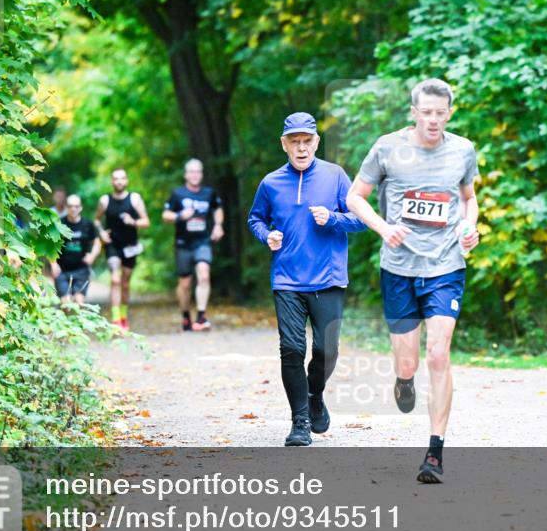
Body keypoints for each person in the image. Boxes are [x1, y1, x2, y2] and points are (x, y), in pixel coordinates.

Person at [346, 79, 480, 483]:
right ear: (413, 112)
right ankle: (404, 380)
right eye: (427, 112)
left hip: (445, 265)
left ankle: (434, 453)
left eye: (441, 113)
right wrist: (384, 228)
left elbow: (468, 198)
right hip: (399, 268)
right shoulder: (388, 148)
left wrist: (470, 228)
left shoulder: (463, 150)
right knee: (409, 361)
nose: (434, 120)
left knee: (438, 354)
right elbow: (355, 196)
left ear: (450, 113)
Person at [248, 112, 367, 446]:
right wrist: (266, 235)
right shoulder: (270, 183)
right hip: (286, 279)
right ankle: (299, 421)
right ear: (284, 145)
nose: (301, 148)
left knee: (326, 350)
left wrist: (333, 219)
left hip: (328, 278)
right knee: (291, 349)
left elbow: (361, 219)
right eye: (294, 142)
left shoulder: (336, 176)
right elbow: (255, 219)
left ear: (317, 141)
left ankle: (315, 395)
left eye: (306, 141)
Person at [161, 158, 224, 331]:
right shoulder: (177, 193)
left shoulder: (209, 193)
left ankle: (201, 317)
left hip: (202, 242)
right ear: (186, 174)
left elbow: (217, 208)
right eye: (192, 172)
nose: (195, 175)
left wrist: (218, 226)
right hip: (183, 244)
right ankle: (185, 315)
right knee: (185, 284)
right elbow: (165, 215)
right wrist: (180, 215)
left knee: (204, 274)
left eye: (198, 172)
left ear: (201, 174)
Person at [95, 169, 150, 330]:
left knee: (125, 283)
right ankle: (115, 318)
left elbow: (146, 222)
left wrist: (133, 222)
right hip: (112, 245)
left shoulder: (134, 199)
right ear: (112, 182)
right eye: (116, 179)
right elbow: (97, 221)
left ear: (126, 181)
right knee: (115, 279)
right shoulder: (105, 200)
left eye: (122, 178)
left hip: (130, 246)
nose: (119, 181)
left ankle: (124, 316)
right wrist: (102, 233)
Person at [51, 194, 100, 304]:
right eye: (70, 206)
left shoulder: (88, 224)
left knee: (79, 303)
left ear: (81, 208)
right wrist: (53, 264)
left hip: (81, 269)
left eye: (76, 206)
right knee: (66, 304)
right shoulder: (59, 224)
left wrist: (92, 255)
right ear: (66, 207)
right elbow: (50, 246)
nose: (73, 209)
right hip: (62, 270)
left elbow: (97, 243)